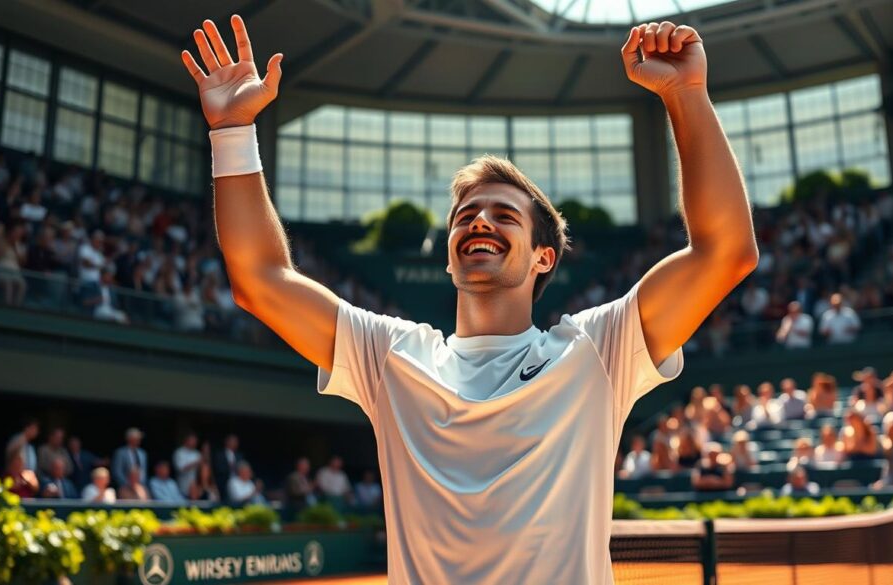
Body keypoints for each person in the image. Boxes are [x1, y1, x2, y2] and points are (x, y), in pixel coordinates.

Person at [181, 15, 756, 583]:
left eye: (505, 215)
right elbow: (260, 280)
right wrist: (232, 131)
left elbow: (725, 251)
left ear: (544, 258)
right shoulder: (389, 355)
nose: (480, 221)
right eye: (465, 216)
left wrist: (686, 94)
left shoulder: (598, 349)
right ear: (450, 255)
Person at [173, 432, 202, 496]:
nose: (195, 443)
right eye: (193, 441)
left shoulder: (197, 453)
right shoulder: (179, 452)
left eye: (195, 441)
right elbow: (180, 469)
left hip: (194, 486)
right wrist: (194, 464)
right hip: (182, 485)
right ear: (187, 441)